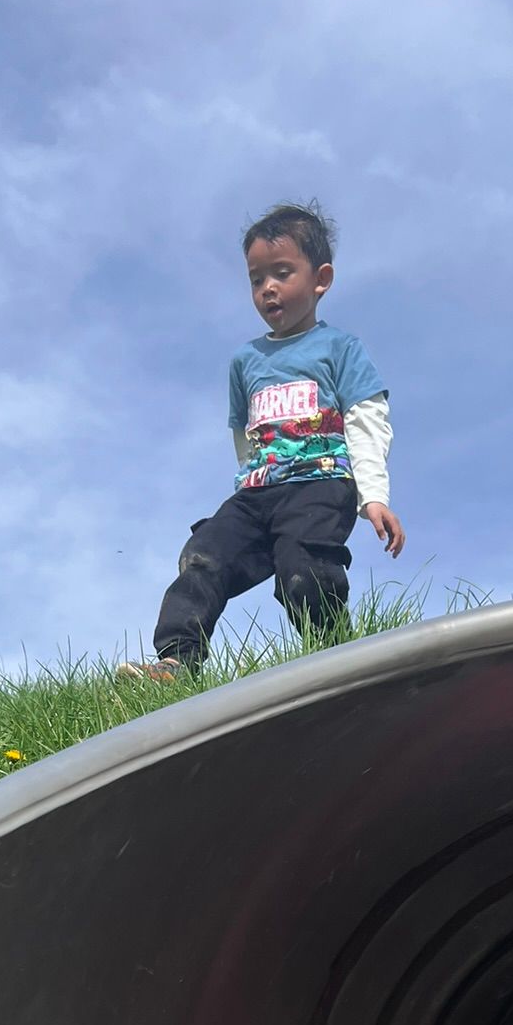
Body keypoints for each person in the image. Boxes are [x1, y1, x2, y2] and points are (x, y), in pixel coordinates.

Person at [119, 201, 405, 682]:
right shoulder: (245, 361)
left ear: (321, 279)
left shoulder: (339, 348)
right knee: (203, 555)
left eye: (282, 272)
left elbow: (366, 419)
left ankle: (335, 660)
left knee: (304, 569)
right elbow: (243, 434)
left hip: (321, 484)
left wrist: (373, 495)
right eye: (256, 279)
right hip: (257, 492)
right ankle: (177, 662)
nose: (268, 288)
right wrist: (249, 487)